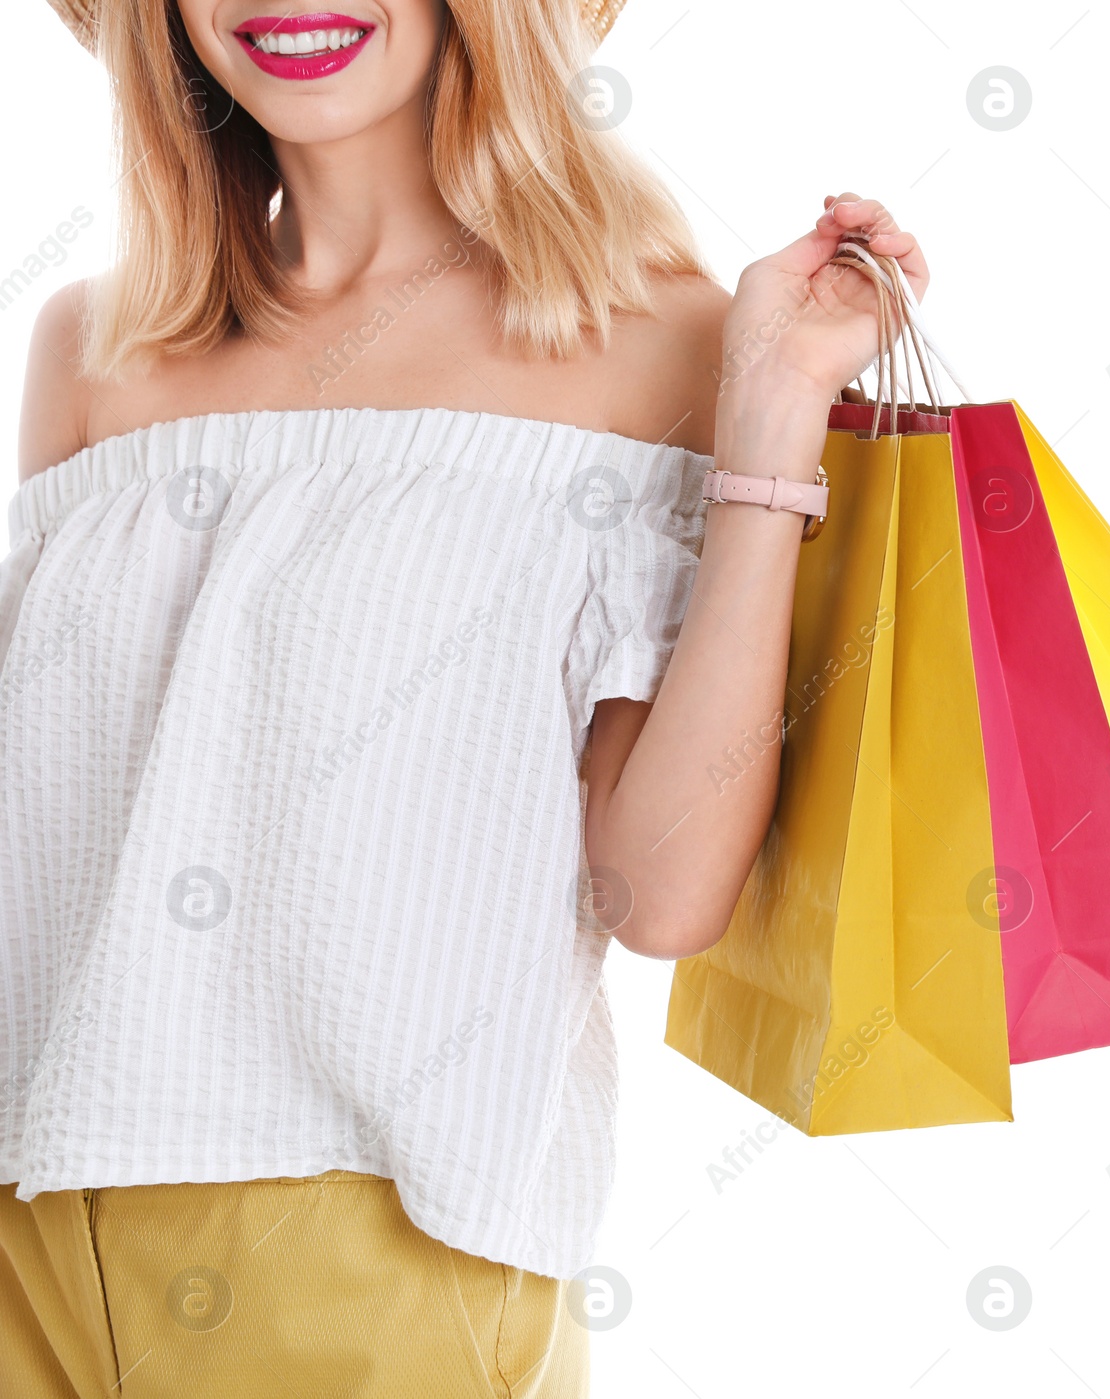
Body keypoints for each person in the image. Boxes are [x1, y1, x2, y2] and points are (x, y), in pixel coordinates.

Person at [0, 1, 930, 1393]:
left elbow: (661, 895)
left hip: (371, 1245)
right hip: (27, 1212)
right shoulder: (94, 346)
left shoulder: (664, 344)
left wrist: (776, 410)